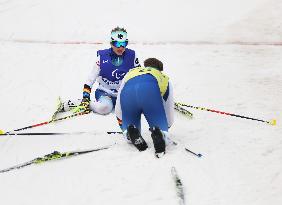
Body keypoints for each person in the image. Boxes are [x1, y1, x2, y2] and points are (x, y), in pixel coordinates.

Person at [62, 27, 140, 115]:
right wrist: (86, 97)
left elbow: (138, 76)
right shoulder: (102, 57)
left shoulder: (132, 56)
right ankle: (79, 103)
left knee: (133, 110)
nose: (121, 47)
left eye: (124, 43)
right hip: (105, 92)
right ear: (111, 43)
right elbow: (90, 79)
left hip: (123, 93)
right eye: (117, 44)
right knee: (105, 108)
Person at [115, 58, 174, 157]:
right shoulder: (163, 77)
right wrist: (167, 126)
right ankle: (160, 133)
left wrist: (121, 122)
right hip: (150, 92)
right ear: (160, 69)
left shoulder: (132, 72)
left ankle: (129, 134)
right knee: (162, 131)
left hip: (128, 94)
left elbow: (119, 99)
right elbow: (168, 106)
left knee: (129, 128)